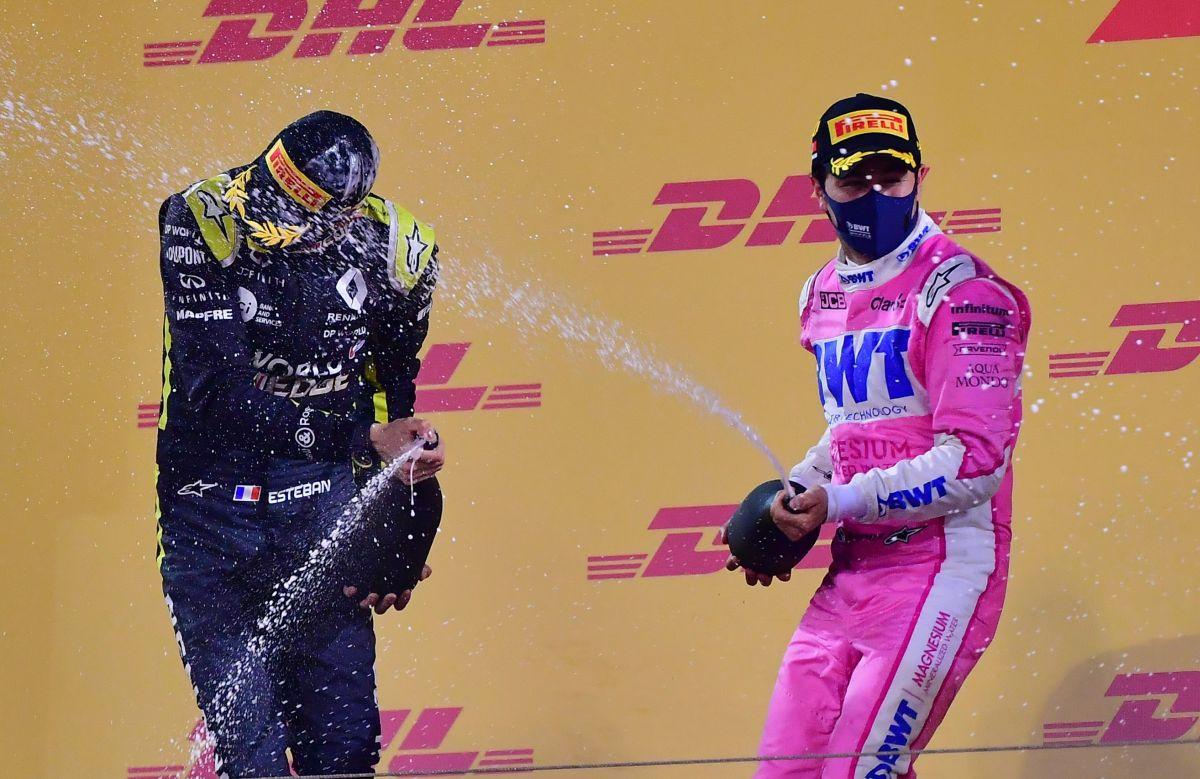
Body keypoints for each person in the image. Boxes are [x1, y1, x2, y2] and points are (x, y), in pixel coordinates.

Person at [720, 94, 1032, 778]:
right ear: (818, 186)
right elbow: (851, 434)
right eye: (854, 179)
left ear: (920, 175)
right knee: (786, 774)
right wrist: (795, 500)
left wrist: (838, 502)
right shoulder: (822, 293)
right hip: (855, 568)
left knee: (860, 771)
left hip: (944, 567)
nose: (875, 193)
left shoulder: (965, 293)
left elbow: (974, 462)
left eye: (891, 178)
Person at [154, 110, 446, 777]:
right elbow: (217, 398)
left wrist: (404, 517)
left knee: (343, 754)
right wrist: (360, 437)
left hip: (322, 519)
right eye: (268, 196)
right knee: (250, 758)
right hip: (208, 518)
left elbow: (393, 399)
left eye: (284, 215)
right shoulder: (202, 218)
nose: (263, 221)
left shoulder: (398, 249)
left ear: (343, 220)